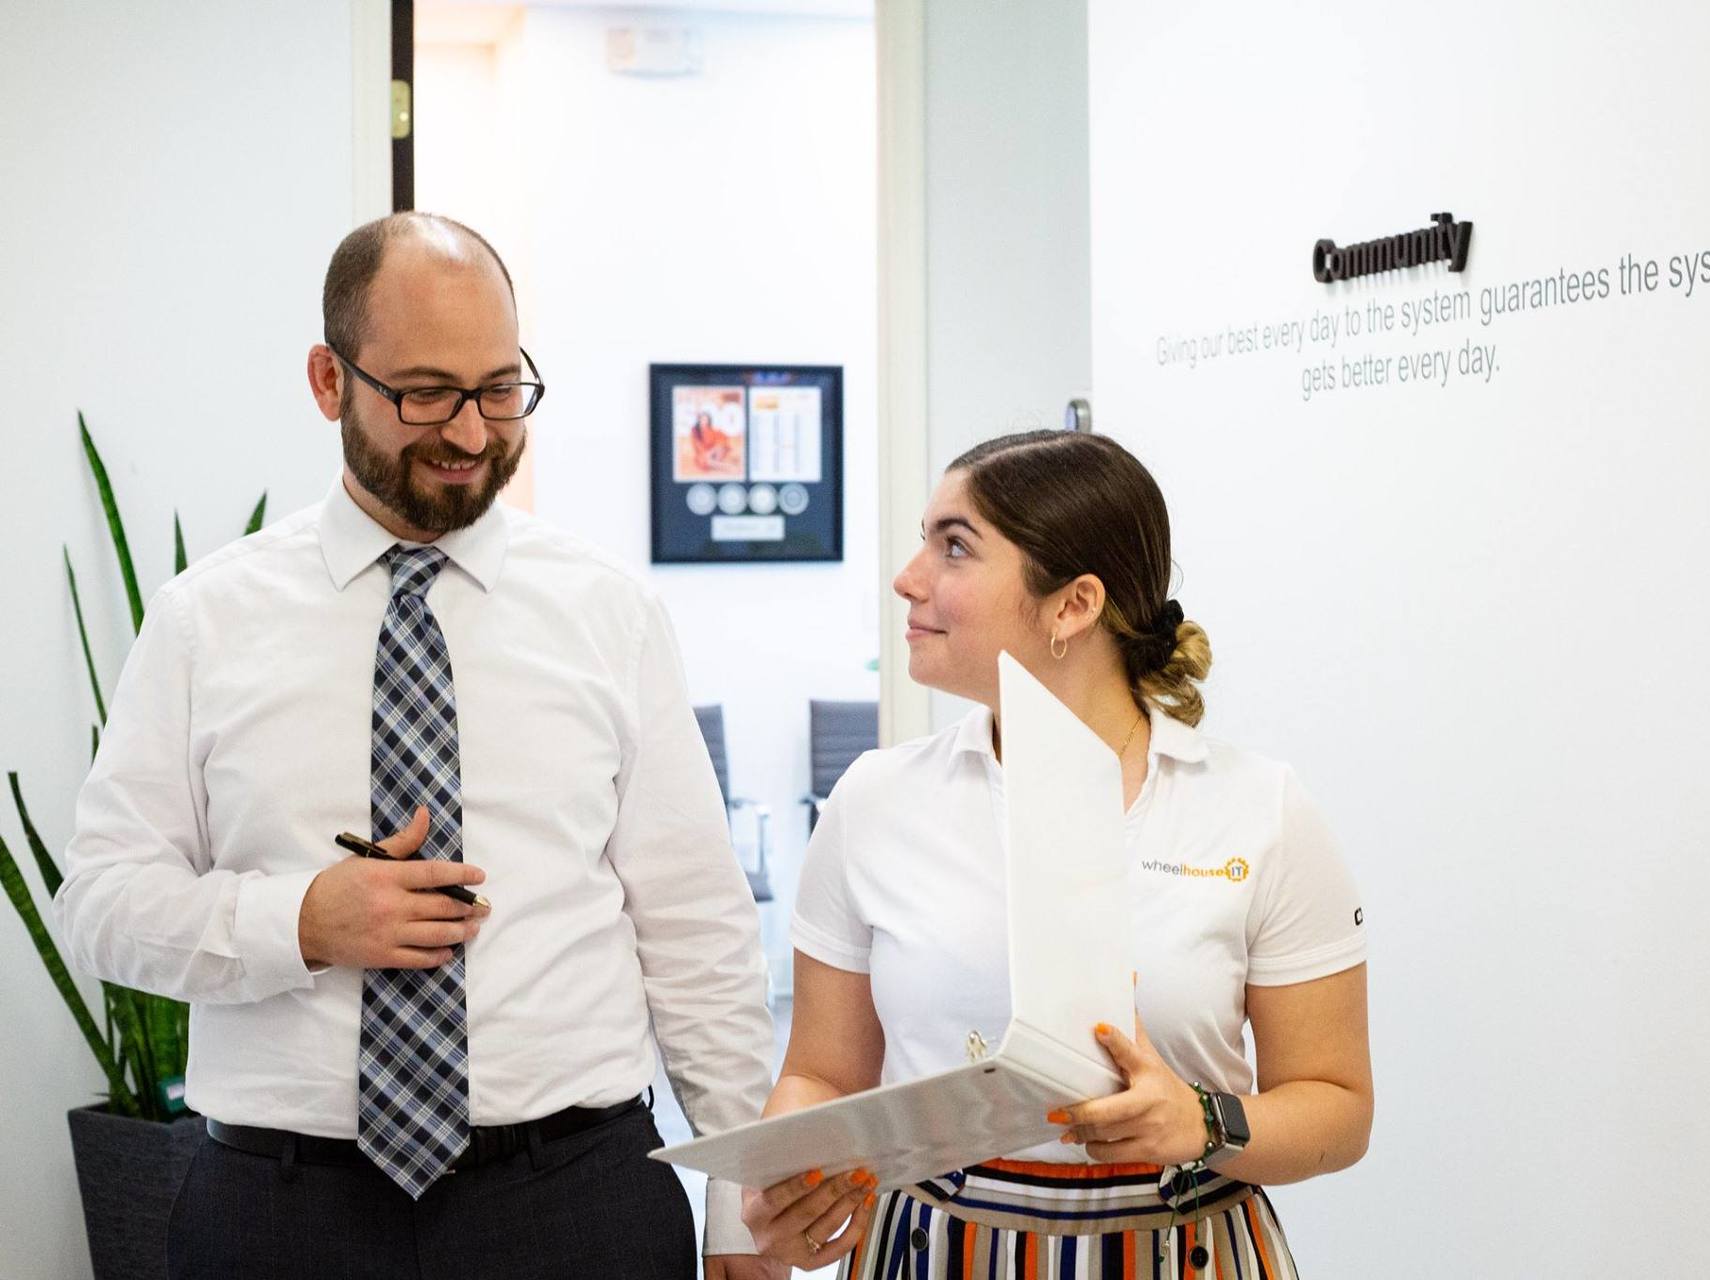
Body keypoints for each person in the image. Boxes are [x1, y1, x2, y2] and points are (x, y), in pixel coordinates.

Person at [53, 212, 780, 1280]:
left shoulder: (608, 612)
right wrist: (298, 919)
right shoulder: (206, 618)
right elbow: (101, 905)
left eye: (498, 388)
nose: (474, 434)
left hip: (577, 1201)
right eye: (427, 393)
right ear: (327, 378)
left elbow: (697, 931)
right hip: (279, 1215)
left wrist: (742, 1210)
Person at [742, 430, 1372, 1277]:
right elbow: (820, 1074)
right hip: (934, 1252)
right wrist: (790, 1179)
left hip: (1182, 1249)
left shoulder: (1259, 809)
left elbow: (1337, 1112)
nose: (908, 577)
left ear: (1072, 605)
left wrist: (1198, 1122)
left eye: (953, 546)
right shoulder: (874, 802)